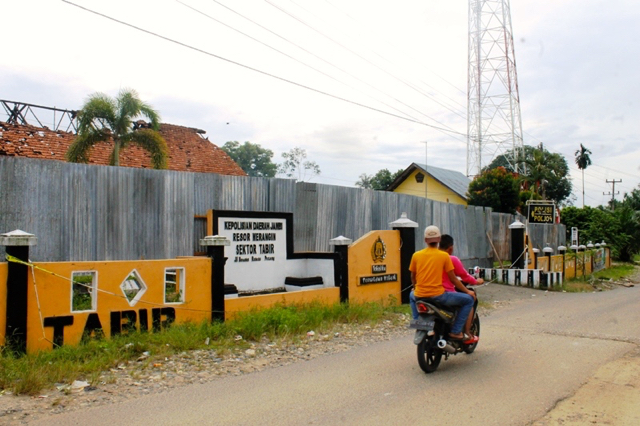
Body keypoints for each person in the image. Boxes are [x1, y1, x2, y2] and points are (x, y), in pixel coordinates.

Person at [409, 226, 476, 343]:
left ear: (425, 240)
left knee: (411, 296)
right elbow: (454, 279)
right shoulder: (444, 256)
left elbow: (413, 277)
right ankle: (456, 332)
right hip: (438, 296)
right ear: (439, 240)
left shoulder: (416, 255)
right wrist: (467, 291)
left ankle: (418, 323)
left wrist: (416, 288)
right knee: (468, 300)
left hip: (419, 295)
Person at [438, 234, 483, 342]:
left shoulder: (430, 257)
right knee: (469, 299)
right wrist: (476, 281)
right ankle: (464, 332)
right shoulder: (451, 259)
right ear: (451, 248)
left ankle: (437, 330)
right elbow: (463, 276)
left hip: (427, 291)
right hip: (444, 293)